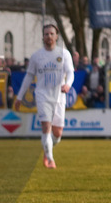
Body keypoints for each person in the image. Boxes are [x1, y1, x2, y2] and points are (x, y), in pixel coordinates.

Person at [13, 24, 75, 168]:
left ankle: (47, 147)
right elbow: (28, 77)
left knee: (57, 133)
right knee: (46, 127)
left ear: (56, 36)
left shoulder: (64, 54)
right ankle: (50, 159)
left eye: (51, 34)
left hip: (59, 96)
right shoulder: (36, 56)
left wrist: (68, 85)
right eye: (46, 34)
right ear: (43, 37)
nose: (49, 36)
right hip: (42, 95)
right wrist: (19, 97)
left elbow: (71, 72)